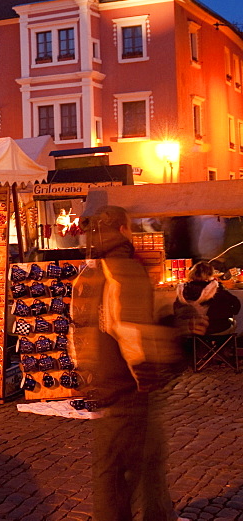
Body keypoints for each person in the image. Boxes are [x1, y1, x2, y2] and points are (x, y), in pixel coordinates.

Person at [72, 205, 187, 521]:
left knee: (120, 467)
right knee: (135, 466)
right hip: (128, 388)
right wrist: (153, 372)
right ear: (123, 230)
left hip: (102, 386)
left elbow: (75, 332)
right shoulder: (124, 270)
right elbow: (133, 334)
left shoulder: (86, 275)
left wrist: (87, 378)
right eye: (131, 227)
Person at [176, 261, 241, 335]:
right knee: (233, 322)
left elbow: (177, 311)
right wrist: (228, 313)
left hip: (190, 329)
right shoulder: (216, 289)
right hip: (217, 328)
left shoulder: (183, 290)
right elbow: (236, 305)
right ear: (210, 274)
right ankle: (220, 345)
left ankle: (201, 345)